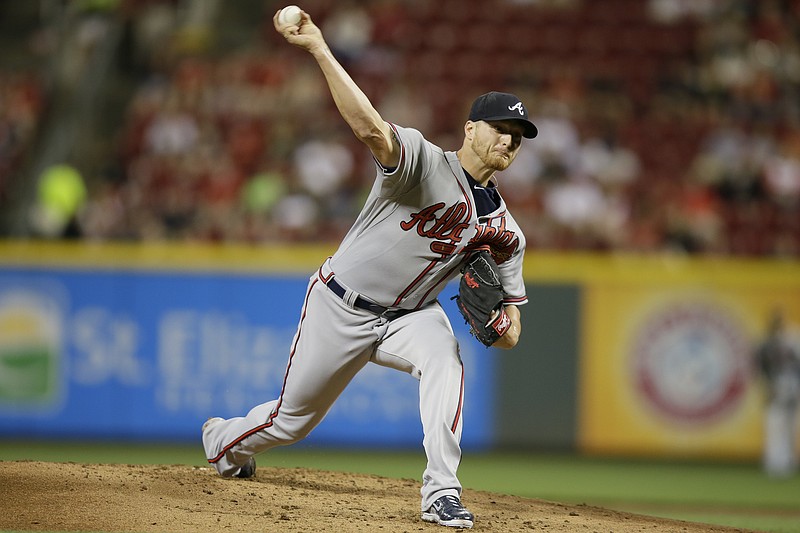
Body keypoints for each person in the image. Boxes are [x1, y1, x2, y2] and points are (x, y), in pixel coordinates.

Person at [202, 8, 537, 529]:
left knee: (445, 359)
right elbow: (371, 129)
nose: (509, 141)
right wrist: (318, 47)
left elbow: (513, 331)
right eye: (500, 128)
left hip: (410, 315)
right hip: (341, 303)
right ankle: (222, 442)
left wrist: (499, 326)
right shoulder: (425, 162)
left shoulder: (506, 232)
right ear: (470, 128)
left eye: (518, 135)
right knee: (290, 423)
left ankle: (441, 492)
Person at [754, 309, 800, 478]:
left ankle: (788, 461)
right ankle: (775, 463)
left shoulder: (792, 339)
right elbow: (760, 369)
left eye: (779, 320)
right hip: (774, 387)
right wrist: (766, 388)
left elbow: (796, 367)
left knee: (791, 426)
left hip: (791, 388)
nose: (778, 324)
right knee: (774, 425)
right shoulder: (765, 343)